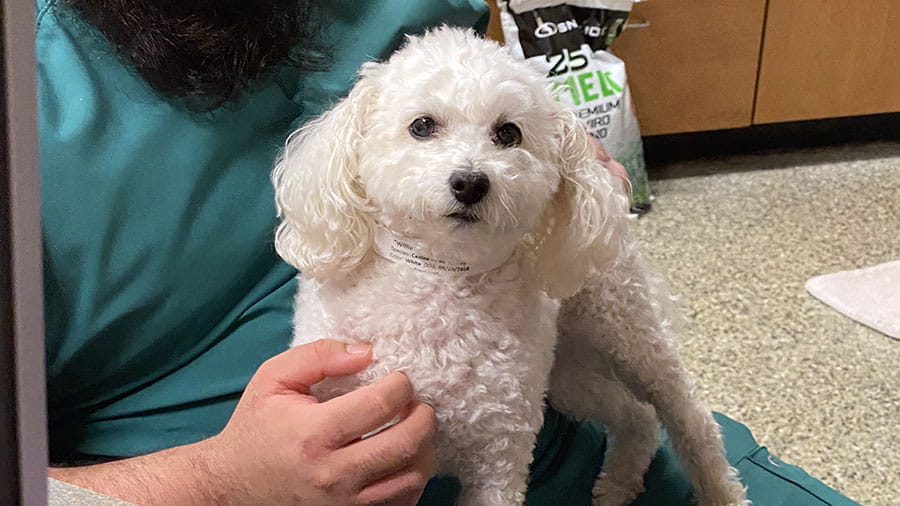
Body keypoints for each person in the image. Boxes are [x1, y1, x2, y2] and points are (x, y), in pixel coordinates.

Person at [38, 0, 859, 504]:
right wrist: (217, 486)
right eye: (425, 129)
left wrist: (571, 181)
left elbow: (506, 119)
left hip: (551, 439)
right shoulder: (31, 86)